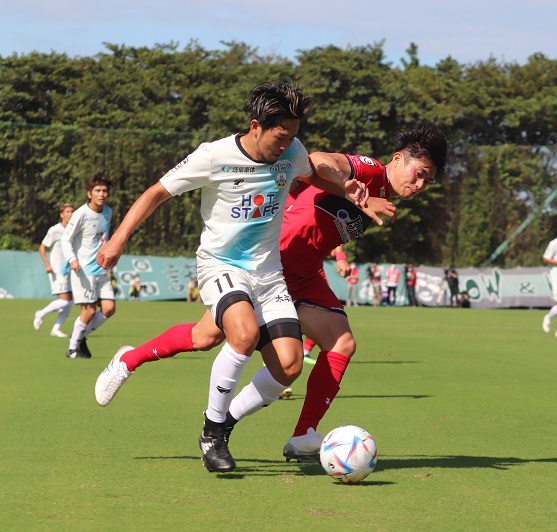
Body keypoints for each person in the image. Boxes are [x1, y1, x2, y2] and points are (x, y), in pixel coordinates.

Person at [92, 81, 368, 473]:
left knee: (286, 365)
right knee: (242, 333)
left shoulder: (292, 150)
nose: (286, 144)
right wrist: (118, 239)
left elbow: (310, 174)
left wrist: (345, 186)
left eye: (293, 136)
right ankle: (213, 433)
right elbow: (156, 193)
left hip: (268, 275)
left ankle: (130, 359)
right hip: (220, 265)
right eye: (280, 136)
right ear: (256, 126)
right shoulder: (214, 156)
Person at [225, 122, 447, 462]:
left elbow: (325, 227)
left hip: (304, 274)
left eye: (426, 181)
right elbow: (316, 160)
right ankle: (140, 364)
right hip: (272, 262)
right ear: (397, 159)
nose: (419, 185)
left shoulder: (384, 197)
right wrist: (351, 188)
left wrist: (340, 255)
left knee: (341, 343)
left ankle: (302, 435)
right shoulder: (370, 171)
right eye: (418, 174)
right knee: (205, 337)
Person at [61, 176, 116, 359]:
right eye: (97, 191)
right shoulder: (81, 214)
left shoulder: (108, 212)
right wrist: (72, 259)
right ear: (89, 193)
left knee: (109, 308)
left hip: (102, 269)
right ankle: (72, 349)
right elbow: (66, 239)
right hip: (84, 270)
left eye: (104, 191)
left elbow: (104, 238)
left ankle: (80, 334)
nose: (101, 194)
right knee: (89, 311)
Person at [33, 203, 75, 338]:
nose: (70, 214)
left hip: (70, 270)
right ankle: (41, 313)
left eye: (72, 211)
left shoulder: (74, 229)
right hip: (57, 270)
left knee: (70, 302)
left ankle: (56, 329)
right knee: (64, 300)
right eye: (67, 211)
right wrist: (47, 264)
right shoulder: (55, 230)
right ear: (62, 215)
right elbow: (42, 247)